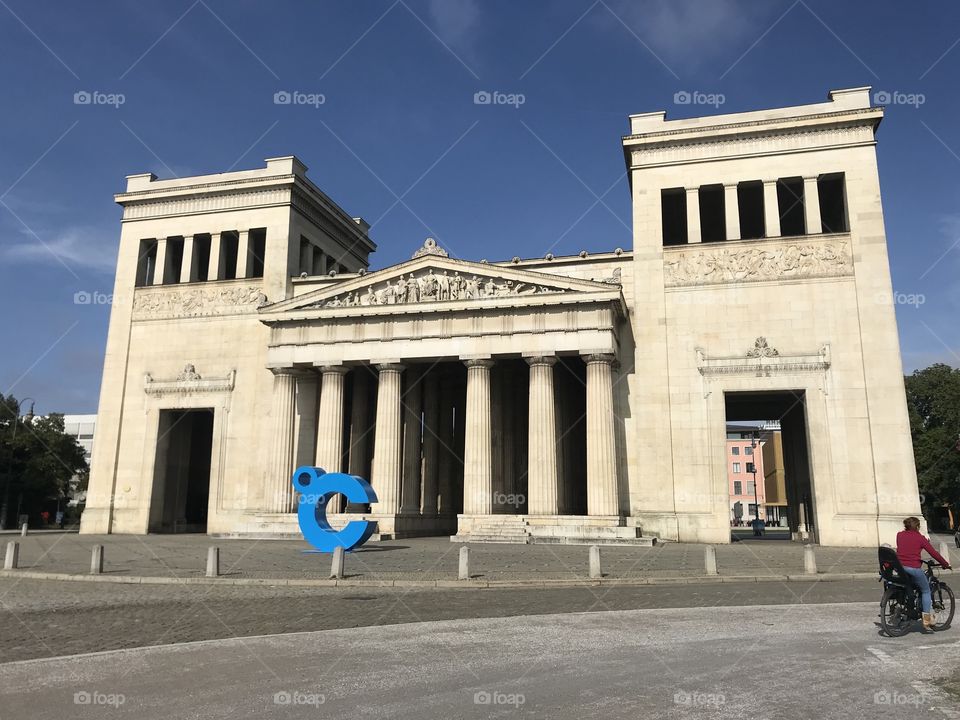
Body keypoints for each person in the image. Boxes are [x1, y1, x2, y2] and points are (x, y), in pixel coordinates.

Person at [896, 516, 952, 631]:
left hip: (900, 568)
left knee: (911, 585)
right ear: (917, 526)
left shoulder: (899, 535)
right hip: (913, 568)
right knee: (926, 590)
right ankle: (926, 621)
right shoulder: (920, 538)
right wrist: (945, 564)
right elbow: (933, 553)